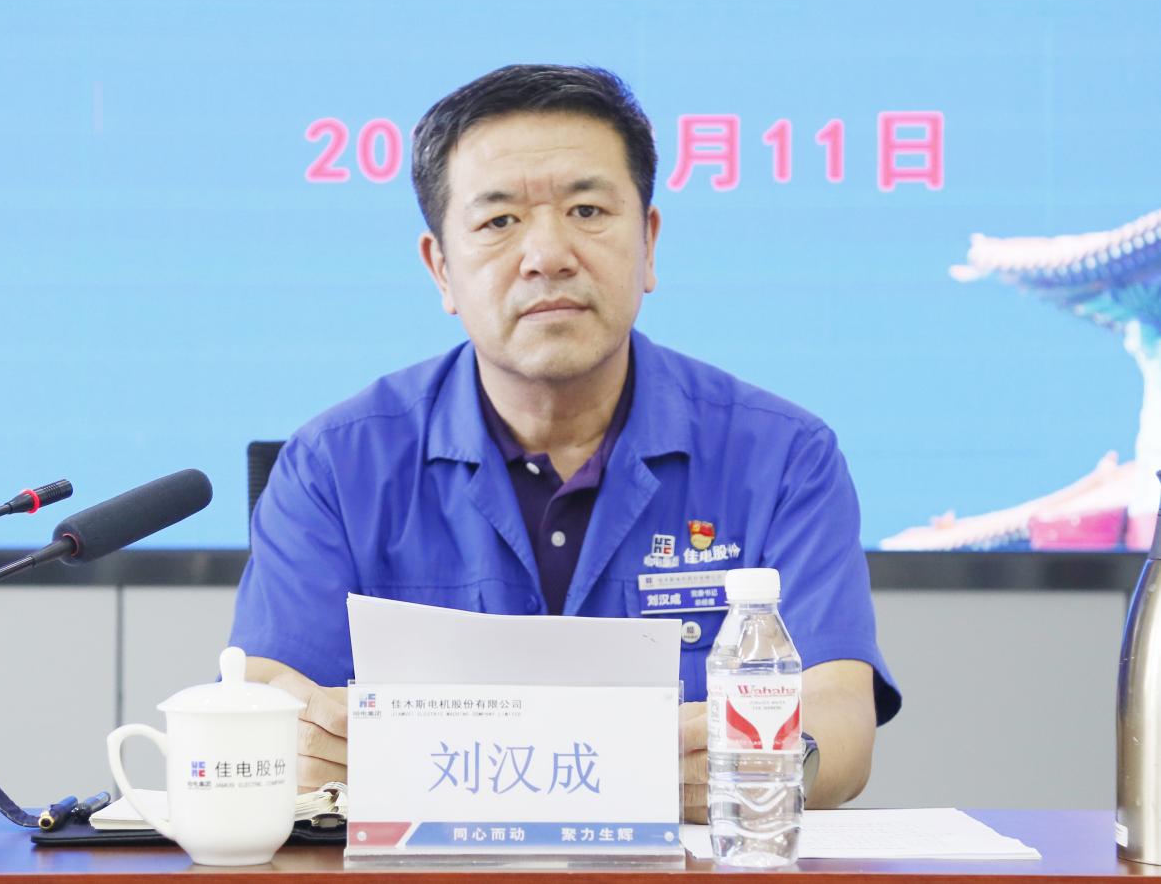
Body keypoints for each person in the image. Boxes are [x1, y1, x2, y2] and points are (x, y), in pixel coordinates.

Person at [229, 64, 900, 821]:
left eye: (587, 210)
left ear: (648, 243)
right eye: (499, 222)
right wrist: (299, 740)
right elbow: (267, 695)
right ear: (441, 269)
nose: (548, 254)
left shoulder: (783, 458)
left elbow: (840, 714)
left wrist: (763, 762)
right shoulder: (333, 465)